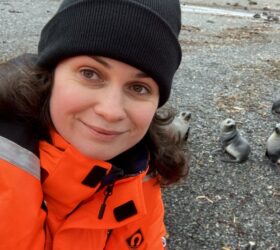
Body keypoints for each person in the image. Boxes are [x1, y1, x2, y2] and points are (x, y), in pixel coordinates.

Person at [0, 0, 188, 249]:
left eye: (139, 88)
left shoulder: (144, 175)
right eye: (90, 73)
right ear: (50, 73)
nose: (110, 111)